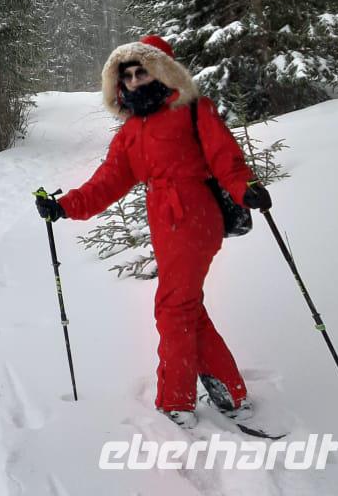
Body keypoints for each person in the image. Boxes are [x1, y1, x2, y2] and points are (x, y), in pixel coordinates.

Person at [34, 34, 272, 430]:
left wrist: (244, 187)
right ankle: (230, 392)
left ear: (160, 70)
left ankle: (175, 401)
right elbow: (107, 183)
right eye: (125, 74)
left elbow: (223, 154)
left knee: (173, 308)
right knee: (186, 306)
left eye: (141, 70)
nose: (133, 79)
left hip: (194, 214)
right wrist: (63, 206)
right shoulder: (131, 132)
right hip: (164, 220)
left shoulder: (193, 110)